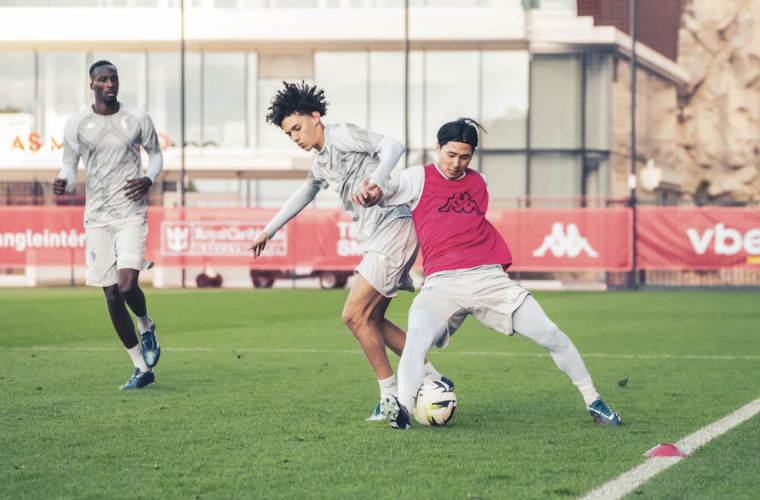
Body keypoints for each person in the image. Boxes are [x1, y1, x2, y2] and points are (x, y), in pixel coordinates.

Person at [357, 118, 621, 429]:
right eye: (450, 154)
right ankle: (402, 409)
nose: (456, 163)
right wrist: (371, 194)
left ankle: (594, 400)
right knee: (416, 337)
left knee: (550, 333)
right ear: (437, 147)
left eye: (464, 156)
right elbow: (387, 191)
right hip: (442, 283)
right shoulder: (418, 177)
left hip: (488, 278)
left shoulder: (479, 181)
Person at [248, 81, 450, 420]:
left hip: (393, 228)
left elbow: (394, 146)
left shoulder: (341, 135)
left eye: (297, 127)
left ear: (315, 117)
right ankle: (432, 378)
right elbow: (305, 192)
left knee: (353, 315)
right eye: (288, 133)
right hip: (378, 238)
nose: (295, 136)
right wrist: (269, 229)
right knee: (373, 320)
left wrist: (377, 180)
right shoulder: (321, 161)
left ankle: (391, 397)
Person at [54, 60, 163, 390]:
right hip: (97, 219)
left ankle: (146, 325)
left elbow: (156, 154)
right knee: (113, 297)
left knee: (128, 286)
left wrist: (148, 178)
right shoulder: (77, 123)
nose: (110, 84)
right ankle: (140, 368)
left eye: (114, 78)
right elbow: (69, 166)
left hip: (130, 213)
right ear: (93, 85)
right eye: (103, 79)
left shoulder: (137, 118)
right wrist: (63, 182)